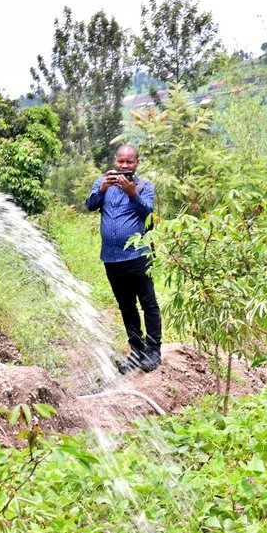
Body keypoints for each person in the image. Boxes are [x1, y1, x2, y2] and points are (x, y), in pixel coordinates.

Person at [85, 145, 162, 374]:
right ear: (115, 161)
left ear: (137, 163)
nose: (124, 166)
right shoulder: (103, 183)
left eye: (129, 162)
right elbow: (90, 205)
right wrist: (101, 189)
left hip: (138, 256)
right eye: (121, 161)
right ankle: (137, 351)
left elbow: (148, 214)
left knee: (148, 304)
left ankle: (154, 351)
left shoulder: (144, 186)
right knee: (126, 306)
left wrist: (132, 193)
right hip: (111, 258)